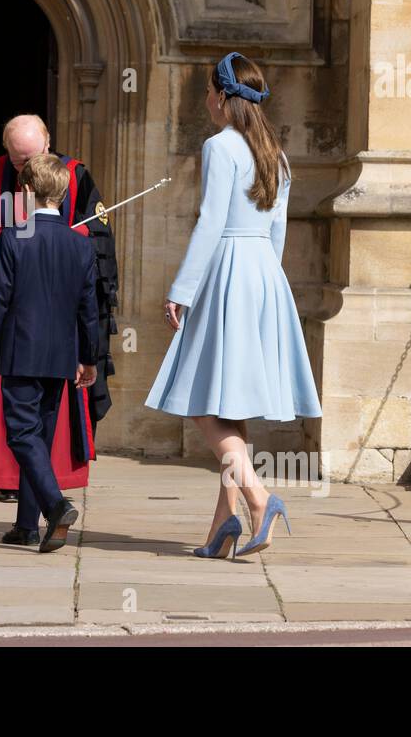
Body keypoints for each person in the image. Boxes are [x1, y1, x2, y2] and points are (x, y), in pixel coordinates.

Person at [146, 52, 322, 559]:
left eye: (208, 91)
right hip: (265, 274)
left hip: (227, 269)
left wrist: (182, 288)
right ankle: (223, 528)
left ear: (223, 97)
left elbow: (210, 222)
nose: (206, 100)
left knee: (203, 403)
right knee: (231, 405)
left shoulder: (219, 147)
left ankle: (258, 496)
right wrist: (268, 283)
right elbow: (278, 231)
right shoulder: (277, 155)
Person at [0, 114, 117, 500]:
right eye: (17, 162)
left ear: (48, 146)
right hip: (9, 314)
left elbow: (98, 244)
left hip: (52, 315)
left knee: (34, 423)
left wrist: (71, 238)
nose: (25, 170)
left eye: (32, 158)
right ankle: (19, 496)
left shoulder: (76, 175)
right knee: (23, 418)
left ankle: (49, 492)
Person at [0, 154, 99, 552]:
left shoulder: (14, 237)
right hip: (61, 356)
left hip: (20, 353)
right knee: (38, 437)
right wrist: (90, 358)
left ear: (25, 191)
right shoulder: (80, 244)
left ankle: (55, 505)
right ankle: (26, 524)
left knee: (22, 433)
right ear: (62, 194)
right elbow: (88, 310)